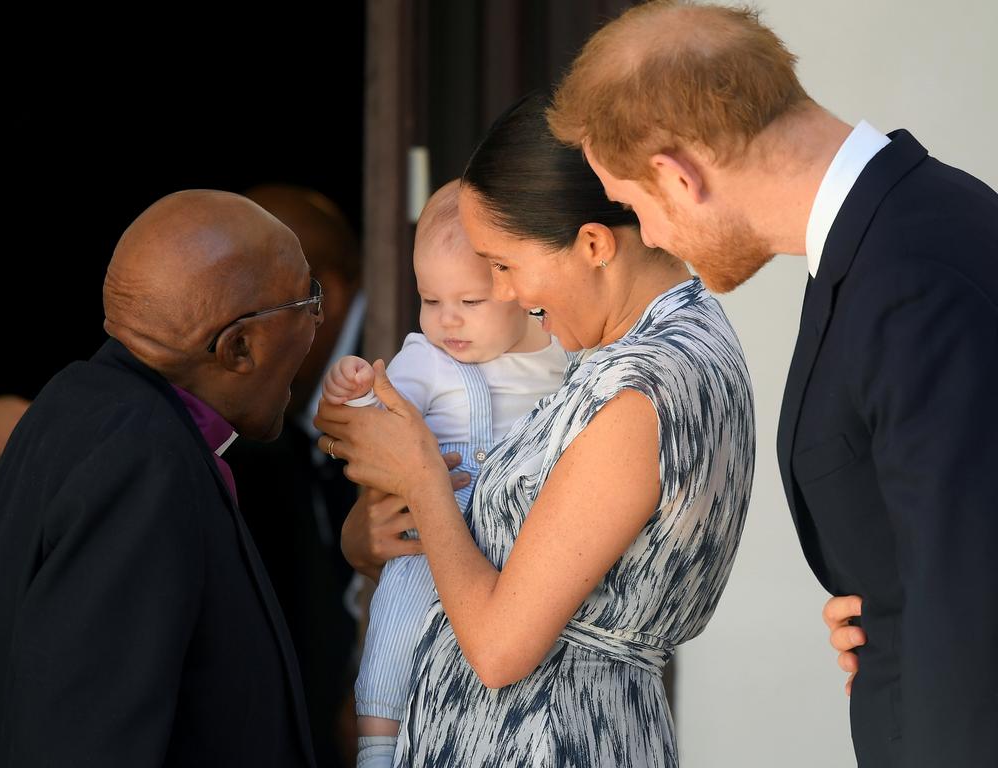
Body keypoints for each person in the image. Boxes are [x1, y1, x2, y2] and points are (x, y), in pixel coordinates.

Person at [547, 2, 998, 765]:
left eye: (632, 207)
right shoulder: (893, 232)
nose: (649, 238)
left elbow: (971, 604)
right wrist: (884, 596)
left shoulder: (909, 275)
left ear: (678, 175)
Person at [317, 93, 755, 767]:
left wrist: (422, 478)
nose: (507, 294)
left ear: (592, 244)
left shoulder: (645, 386)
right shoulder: (637, 349)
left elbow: (497, 651)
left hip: (550, 739)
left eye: (503, 265)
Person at [0, 190, 322, 767]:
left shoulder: (76, 400)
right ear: (238, 348)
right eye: (308, 300)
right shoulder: (143, 466)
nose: (317, 323)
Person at [323, 179, 568, 767]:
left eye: (469, 302)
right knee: (396, 624)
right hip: (435, 540)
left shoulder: (566, 356)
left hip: (530, 551)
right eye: (430, 301)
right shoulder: (426, 360)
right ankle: (379, 744)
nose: (448, 320)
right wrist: (354, 396)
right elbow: (379, 420)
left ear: (518, 287)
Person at [224, 183, 364, 768]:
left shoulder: (397, 368)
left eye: (243, 311)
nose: (230, 341)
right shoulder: (298, 403)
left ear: (319, 299)